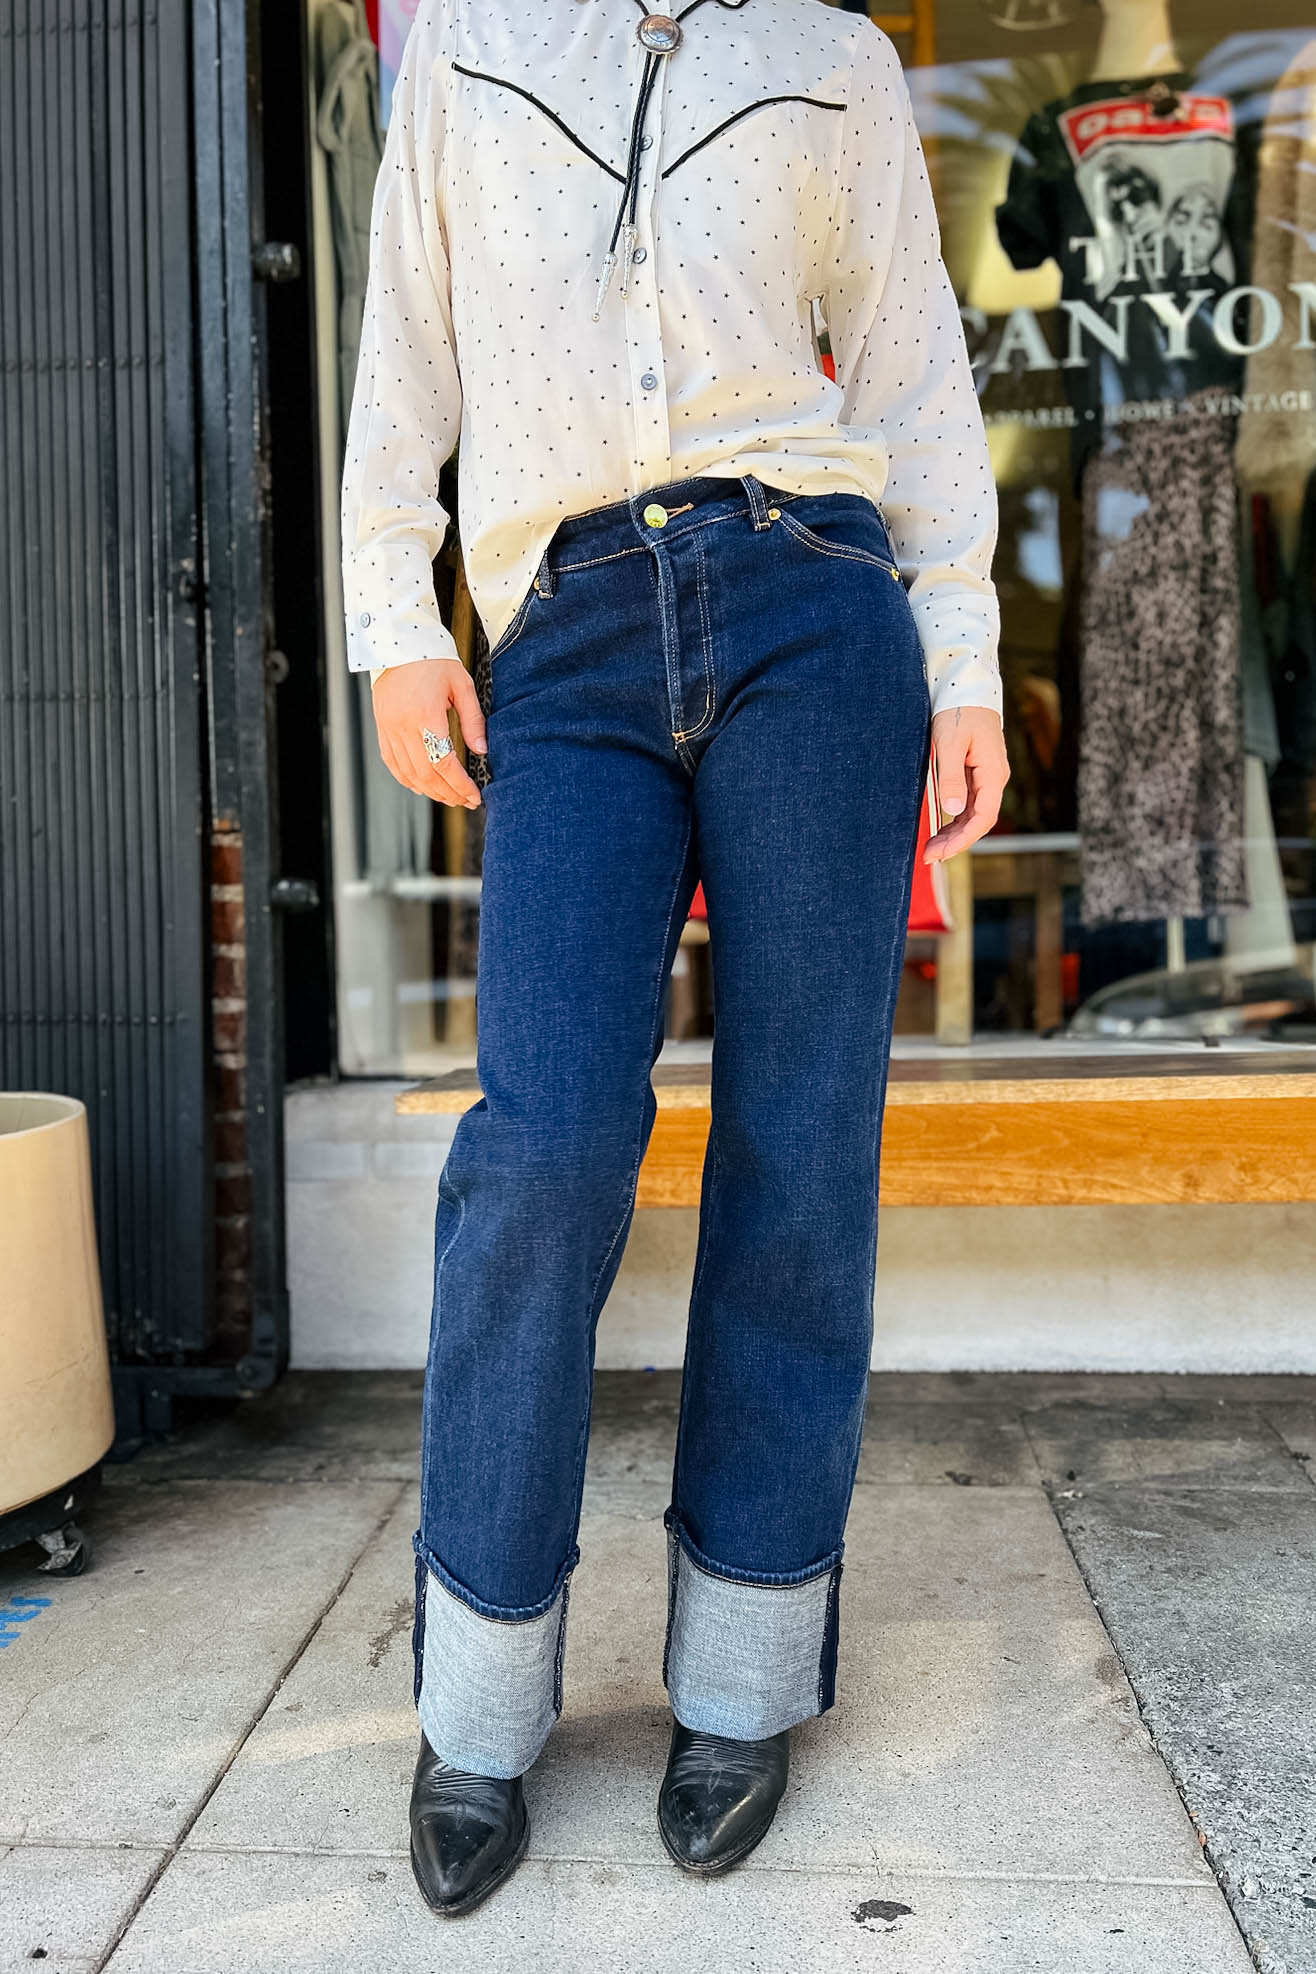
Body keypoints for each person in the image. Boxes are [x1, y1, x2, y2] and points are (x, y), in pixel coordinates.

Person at [341, 0, 1008, 1919]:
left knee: (800, 1144)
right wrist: (397, 615)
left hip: (816, 603)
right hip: (565, 624)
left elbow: (911, 368)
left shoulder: (833, 51)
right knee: (543, 1146)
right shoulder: (470, 43)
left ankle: (742, 1670)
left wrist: (963, 653)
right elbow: (406, 346)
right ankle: (480, 1696)